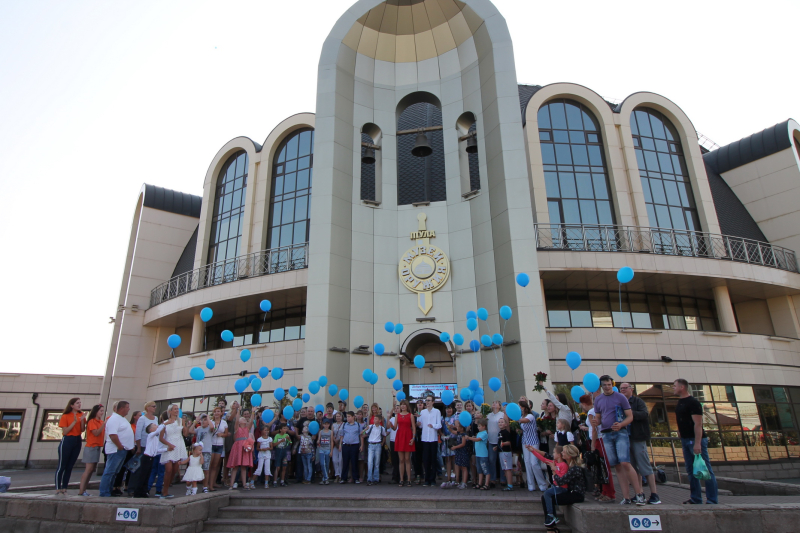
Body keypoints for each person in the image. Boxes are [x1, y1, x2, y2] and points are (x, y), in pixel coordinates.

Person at [592, 375, 644, 506]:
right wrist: (595, 421)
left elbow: (630, 416)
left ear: (612, 384)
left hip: (620, 432)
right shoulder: (598, 400)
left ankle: (639, 494)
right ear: (601, 386)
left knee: (625, 462)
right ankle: (626, 497)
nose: (607, 387)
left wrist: (621, 425)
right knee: (617, 466)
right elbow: (598, 417)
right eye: (605, 385)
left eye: (609, 385)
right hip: (606, 434)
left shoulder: (620, 397)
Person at [674, 378, 718, 504]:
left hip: (695, 439)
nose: (673, 388)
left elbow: (698, 424)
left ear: (682, 387)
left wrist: (698, 443)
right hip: (685, 439)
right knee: (691, 470)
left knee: (705, 469)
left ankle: (712, 499)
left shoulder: (693, 402)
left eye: (675, 386)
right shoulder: (680, 402)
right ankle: (696, 498)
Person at [619, 382, 661, 505]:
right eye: (621, 388)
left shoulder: (638, 402)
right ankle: (639, 493)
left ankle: (654, 494)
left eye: (625, 388)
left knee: (644, 465)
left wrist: (630, 413)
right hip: (626, 438)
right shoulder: (620, 404)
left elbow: (644, 414)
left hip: (638, 437)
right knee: (632, 467)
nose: (623, 390)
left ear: (631, 389)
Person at [537, 444, 586, 527]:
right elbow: (548, 456)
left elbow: (561, 482)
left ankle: (551, 522)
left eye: (564, 452)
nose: (562, 453)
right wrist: (533, 450)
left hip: (576, 495)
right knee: (545, 496)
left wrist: (554, 470)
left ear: (569, 456)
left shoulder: (575, 468)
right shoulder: (568, 465)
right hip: (570, 491)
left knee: (547, 496)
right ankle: (551, 521)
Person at [579, 393, 615, 503]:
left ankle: (610, 493)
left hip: (598, 440)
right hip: (598, 439)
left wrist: (593, 445)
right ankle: (604, 491)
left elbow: (594, 429)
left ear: (584, 404)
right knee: (601, 467)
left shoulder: (591, 412)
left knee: (604, 467)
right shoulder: (595, 411)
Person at [100, 400, 134, 497]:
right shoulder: (114, 419)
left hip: (123, 450)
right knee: (109, 471)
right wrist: (119, 446)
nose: (129, 409)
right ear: (122, 408)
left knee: (115, 472)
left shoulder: (122, 419)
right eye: (127, 407)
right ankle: (104, 492)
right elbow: (112, 434)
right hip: (116, 450)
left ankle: (110, 490)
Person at [512, 401, 548, 492]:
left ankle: (542, 484)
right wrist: (518, 430)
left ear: (524, 408)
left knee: (534, 463)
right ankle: (531, 485)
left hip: (533, 442)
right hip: (525, 442)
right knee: (527, 463)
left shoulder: (530, 416)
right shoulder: (520, 417)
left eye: (520, 407)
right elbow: (522, 428)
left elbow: (525, 421)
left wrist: (515, 418)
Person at [55, 397, 85, 495]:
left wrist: (82, 420)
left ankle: (65, 487)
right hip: (68, 440)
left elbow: (82, 430)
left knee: (70, 466)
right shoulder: (65, 416)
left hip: (77, 439)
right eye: (77, 403)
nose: (79, 404)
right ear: (72, 405)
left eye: (80, 403)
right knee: (62, 465)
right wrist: (74, 422)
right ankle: (57, 487)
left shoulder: (81, 414)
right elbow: (65, 431)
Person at [158, 403, 188, 499]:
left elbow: (186, 434)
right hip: (169, 445)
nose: (176, 410)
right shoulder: (165, 422)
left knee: (175, 470)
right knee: (168, 469)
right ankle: (164, 491)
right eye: (174, 409)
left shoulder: (180, 421)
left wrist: (185, 425)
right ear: (170, 411)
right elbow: (161, 437)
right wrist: (169, 445)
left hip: (179, 445)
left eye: (177, 409)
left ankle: (167, 487)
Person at [78, 404, 104, 496]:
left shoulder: (100, 421)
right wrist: (103, 425)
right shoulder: (92, 421)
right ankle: (81, 490)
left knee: (92, 469)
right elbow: (96, 433)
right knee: (88, 469)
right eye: (100, 411)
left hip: (97, 447)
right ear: (96, 411)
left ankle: (84, 490)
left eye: (102, 411)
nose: (102, 412)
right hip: (91, 447)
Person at [417, 394, 442, 487]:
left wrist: (433, 425)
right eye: (426, 400)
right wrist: (418, 423)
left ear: (433, 402)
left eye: (429, 400)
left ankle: (433, 479)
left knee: (433, 460)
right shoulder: (423, 412)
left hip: (433, 439)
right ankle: (427, 479)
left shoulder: (437, 412)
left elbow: (439, 425)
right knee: (426, 460)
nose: (427, 402)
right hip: (425, 439)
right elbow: (421, 425)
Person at [133, 421, 159, 498]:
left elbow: (157, 450)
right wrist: (165, 423)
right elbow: (159, 430)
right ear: (150, 429)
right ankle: (137, 492)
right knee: (142, 475)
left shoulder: (155, 438)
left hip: (152, 457)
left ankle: (144, 491)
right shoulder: (150, 435)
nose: (156, 425)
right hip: (147, 457)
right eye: (154, 425)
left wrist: (167, 449)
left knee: (147, 475)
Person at [227, 416, 255, 490]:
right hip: (238, 447)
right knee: (235, 467)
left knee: (243, 467)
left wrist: (252, 412)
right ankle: (231, 484)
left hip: (244, 447)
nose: (244, 419)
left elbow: (251, 421)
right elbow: (236, 421)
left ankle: (244, 484)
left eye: (244, 419)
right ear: (239, 422)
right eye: (242, 418)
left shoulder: (247, 428)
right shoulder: (237, 428)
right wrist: (238, 410)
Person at [393, 399, 416, 487]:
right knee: (401, 460)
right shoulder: (397, 415)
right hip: (400, 436)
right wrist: (388, 420)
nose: (402, 406)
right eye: (401, 405)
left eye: (404, 405)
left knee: (407, 459)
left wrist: (413, 438)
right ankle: (402, 479)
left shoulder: (410, 415)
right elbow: (394, 428)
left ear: (407, 406)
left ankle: (409, 479)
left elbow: (413, 428)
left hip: (408, 436)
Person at [147, 410, 169, 496]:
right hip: (161, 452)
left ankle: (148, 488)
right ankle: (158, 490)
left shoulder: (158, 429)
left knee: (153, 471)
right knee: (160, 472)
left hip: (156, 453)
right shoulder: (162, 428)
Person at [191, 414, 215, 493]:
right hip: (197, 452)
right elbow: (190, 431)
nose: (203, 421)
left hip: (206, 451)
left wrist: (208, 418)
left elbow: (212, 427)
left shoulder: (209, 429)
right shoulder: (199, 428)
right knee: (195, 468)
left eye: (205, 420)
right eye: (202, 420)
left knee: (206, 470)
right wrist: (195, 422)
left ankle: (205, 486)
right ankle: (194, 486)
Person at [207, 407, 228, 492]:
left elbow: (226, 433)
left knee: (215, 466)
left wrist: (222, 435)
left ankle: (212, 485)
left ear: (221, 413)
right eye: (215, 411)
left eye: (218, 411)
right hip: (211, 444)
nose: (216, 413)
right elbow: (210, 429)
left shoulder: (224, 422)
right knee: (209, 465)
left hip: (219, 445)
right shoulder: (210, 422)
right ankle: (206, 484)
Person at [362, 413, 386, 486]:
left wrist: (382, 442)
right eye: (374, 419)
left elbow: (384, 435)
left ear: (379, 420)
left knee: (376, 463)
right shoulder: (370, 426)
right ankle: (369, 479)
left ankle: (376, 478)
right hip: (371, 445)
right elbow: (364, 433)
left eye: (376, 419)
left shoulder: (382, 428)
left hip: (378, 445)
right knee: (370, 462)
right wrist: (365, 430)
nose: (374, 420)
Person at [467, 418, 490, 490]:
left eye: (479, 426)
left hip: (483, 454)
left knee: (485, 469)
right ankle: (480, 483)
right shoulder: (479, 433)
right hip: (478, 454)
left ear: (484, 426)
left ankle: (487, 483)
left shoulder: (485, 433)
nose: (478, 427)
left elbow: (478, 439)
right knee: (479, 470)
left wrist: (469, 438)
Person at [486, 401, 505, 486]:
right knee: (491, 460)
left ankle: (503, 479)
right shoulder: (488, 416)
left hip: (500, 440)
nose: (494, 404)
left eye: (496, 403)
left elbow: (506, 426)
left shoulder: (502, 414)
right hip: (491, 441)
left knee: (501, 460)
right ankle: (493, 479)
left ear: (500, 406)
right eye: (493, 403)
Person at [340, 411, 362, 484]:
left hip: (354, 445)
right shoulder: (344, 425)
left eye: (349, 416)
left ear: (353, 417)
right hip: (346, 445)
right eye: (347, 416)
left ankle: (356, 478)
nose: (348, 418)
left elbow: (361, 435)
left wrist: (361, 445)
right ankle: (344, 478)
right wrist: (340, 445)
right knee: (345, 462)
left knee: (354, 462)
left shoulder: (358, 425)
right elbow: (342, 435)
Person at [440, 405, 457, 488]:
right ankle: (448, 477)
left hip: (453, 440)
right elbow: (439, 428)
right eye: (447, 408)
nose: (449, 410)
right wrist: (442, 434)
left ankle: (455, 477)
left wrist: (452, 427)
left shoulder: (455, 417)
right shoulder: (442, 418)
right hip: (446, 440)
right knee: (447, 459)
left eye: (450, 408)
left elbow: (458, 428)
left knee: (454, 459)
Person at [496, 416, 514, 491]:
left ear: (506, 424)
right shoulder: (500, 432)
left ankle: (510, 485)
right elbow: (499, 442)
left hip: (506, 453)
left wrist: (503, 444)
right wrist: (497, 447)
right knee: (505, 469)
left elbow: (509, 442)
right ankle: (508, 484)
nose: (500, 423)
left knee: (507, 469)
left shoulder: (506, 433)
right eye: (499, 422)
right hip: (501, 452)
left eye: (502, 422)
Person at [451, 420, 469, 489]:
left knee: (464, 467)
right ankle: (461, 481)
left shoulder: (464, 435)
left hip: (463, 452)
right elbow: (452, 431)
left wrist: (455, 447)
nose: (457, 428)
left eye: (458, 427)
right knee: (461, 467)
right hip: (459, 452)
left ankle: (464, 482)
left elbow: (463, 444)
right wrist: (449, 426)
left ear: (462, 428)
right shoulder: (458, 433)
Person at [315, 418, 332, 485]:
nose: (326, 425)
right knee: (322, 463)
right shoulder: (321, 432)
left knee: (327, 464)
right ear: (323, 424)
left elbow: (331, 442)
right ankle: (325, 477)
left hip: (328, 449)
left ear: (329, 425)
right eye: (325, 424)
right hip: (321, 449)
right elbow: (319, 439)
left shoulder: (331, 432)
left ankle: (324, 478)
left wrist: (331, 451)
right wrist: (318, 441)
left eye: (327, 424)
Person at [387, 404, 400, 484]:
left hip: (400, 440)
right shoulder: (392, 418)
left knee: (401, 459)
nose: (396, 409)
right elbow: (388, 426)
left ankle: (402, 476)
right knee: (394, 459)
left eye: (398, 408)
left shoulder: (402, 417)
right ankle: (395, 476)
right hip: (393, 440)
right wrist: (388, 417)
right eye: (395, 408)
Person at [331, 412, 344, 482]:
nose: (338, 417)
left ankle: (341, 475)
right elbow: (332, 434)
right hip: (335, 443)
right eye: (337, 416)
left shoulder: (344, 424)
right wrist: (334, 440)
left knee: (340, 460)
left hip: (341, 443)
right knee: (334, 460)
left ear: (341, 417)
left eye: (339, 416)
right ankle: (337, 475)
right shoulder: (333, 425)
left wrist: (339, 442)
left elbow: (344, 434)